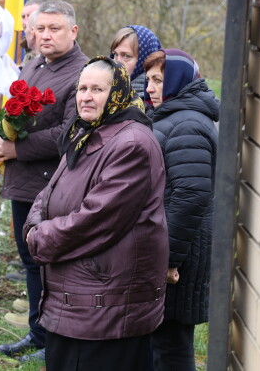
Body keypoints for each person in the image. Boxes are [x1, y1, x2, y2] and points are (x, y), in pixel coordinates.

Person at [24, 57, 169, 371]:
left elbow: (96, 220)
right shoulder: (87, 133)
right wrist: (35, 222)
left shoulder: (132, 144)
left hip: (106, 304)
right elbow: (49, 192)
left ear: (117, 92)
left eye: (97, 89)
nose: (85, 96)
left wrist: (38, 238)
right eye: (82, 88)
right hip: (76, 297)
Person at [0, 0, 89, 363]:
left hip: (52, 187)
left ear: (73, 31)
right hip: (24, 182)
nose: (45, 35)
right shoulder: (33, 65)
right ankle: (37, 332)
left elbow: (70, 132)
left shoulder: (82, 74)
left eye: (54, 29)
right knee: (32, 261)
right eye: (40, 29)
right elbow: (14, 115)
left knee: (49, 264)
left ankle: (54, 342)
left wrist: (18, 150)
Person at [143, 49, 219, 371]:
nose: (149, 88)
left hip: (180, 254)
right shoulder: (175, 115)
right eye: (148, 80)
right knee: (160, 340)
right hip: (174, 246)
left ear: (177, 79)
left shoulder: (187, 124)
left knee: (171, 344)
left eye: (158, 80)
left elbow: (191, 195)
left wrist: (168, 259)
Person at [110, 25, 161, 101]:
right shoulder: (107, 92)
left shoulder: (150, 103)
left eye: (126, 56)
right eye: (115, 54)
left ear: (145, 60)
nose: (117, 62)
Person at [19, 0, 45, 67]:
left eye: (30, 16)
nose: (25, 22)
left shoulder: (48, 48)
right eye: (23, 17)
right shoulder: (28, 47)